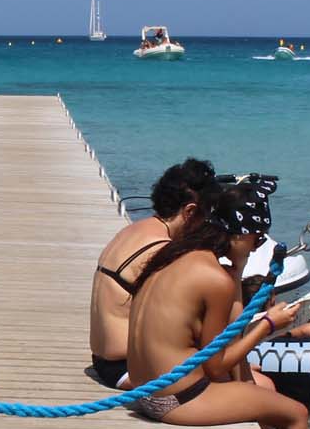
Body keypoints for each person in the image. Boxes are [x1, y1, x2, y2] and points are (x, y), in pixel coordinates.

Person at [124, 177, 310, 429]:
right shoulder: (214, 279)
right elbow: (215, 365)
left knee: (254, 392)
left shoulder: (172, 257)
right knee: (296, 415)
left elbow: (224, 334)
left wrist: (238, 269)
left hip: (144, 393)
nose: (256, 248)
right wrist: (268, 323)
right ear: (241, 235)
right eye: (255, 241)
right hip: (176, 402)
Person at [90, 158, 216, 387]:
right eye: (206, 216)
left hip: (104, 360)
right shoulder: (162, 250)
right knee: (250, 381)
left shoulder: (133, 230)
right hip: (127, 367)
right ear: (190, 211)